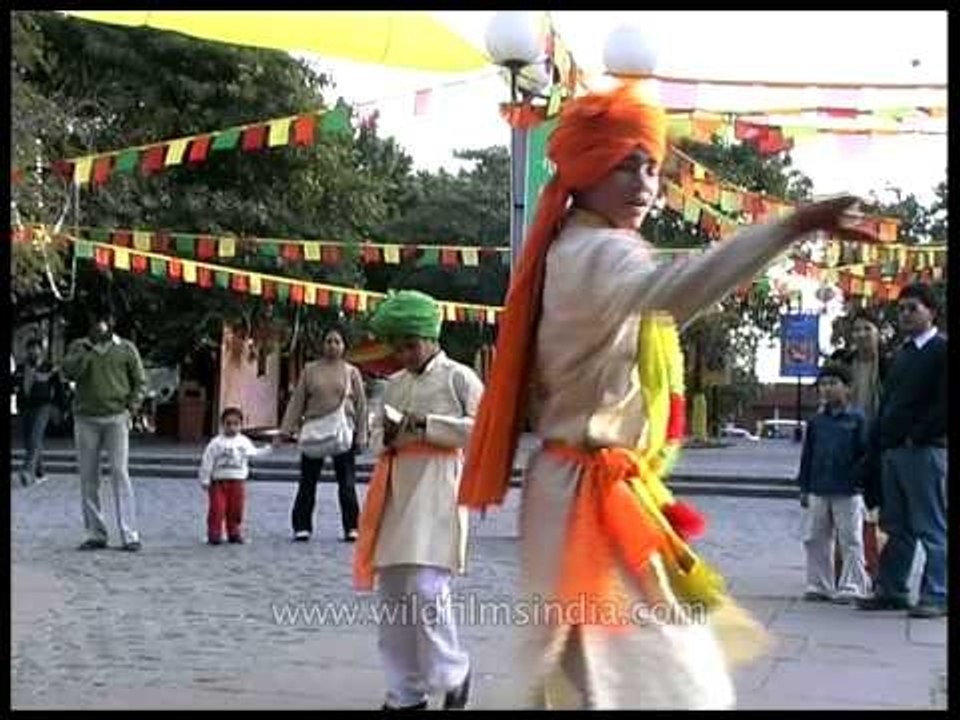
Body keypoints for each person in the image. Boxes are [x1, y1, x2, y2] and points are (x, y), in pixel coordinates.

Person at [455, 81, 864, 709]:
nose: (644, 183)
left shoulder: (582, 245)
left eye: (651, 166)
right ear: (586, 171)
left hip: (588, 488)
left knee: (589, 666)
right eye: (625, 165)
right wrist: (792, 225)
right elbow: (679, 291)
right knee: (657, 670)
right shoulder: (596, 251)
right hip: (586, 494)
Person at [352, 290, 482, 711]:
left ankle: (453, 673)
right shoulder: (393, 385)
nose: (405, 354)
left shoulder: (460, 378)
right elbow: (374, 438)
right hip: (395, 489)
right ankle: (406, 692)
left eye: (411, 344)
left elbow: (483, 431)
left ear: (430, 336)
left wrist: (427, 425)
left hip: (440, 488)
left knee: (427, 588)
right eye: (399, 346)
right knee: (392, 593)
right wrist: (387, 434)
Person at [858, 283, 947, 618]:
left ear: (931, 312)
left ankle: (938, 594)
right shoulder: (903, 354)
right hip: (892, 453)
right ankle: (892, 589)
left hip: (923, 451)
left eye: (914, 308)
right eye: (903, 309)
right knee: (897, 526)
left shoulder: (940, 350)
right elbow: (890, 404)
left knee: (931, 526)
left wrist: (918, 435)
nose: (906, 314)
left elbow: (942, 405)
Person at [62, 312, 146, 551]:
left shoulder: (126, 348)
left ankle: (130, 535)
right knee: (89, 477)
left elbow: (140, 381)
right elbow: (69, 372)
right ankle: (96, 534)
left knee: (120, 473)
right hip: (85, 418)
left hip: (116, 417)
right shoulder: (79, 346)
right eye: (96, 322)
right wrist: (86, 352)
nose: (100, 326)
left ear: (112, 324)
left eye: (105, 322)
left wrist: (132, 408)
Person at [280, 327, 368, 543]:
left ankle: (352, 527)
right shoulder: (310, 370)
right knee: (307, 481)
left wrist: (361, 436)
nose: (332, 345)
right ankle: (302, 527)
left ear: (343, 346)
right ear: (322, 345)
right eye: (328, 341)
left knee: (346, 482)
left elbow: (361, 406)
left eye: (337, 341)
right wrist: (287, 429)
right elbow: (298, 400)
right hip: (315, 431)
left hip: (342, 431)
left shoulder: (351, 372)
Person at [798, 363, 871, 603]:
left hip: (848, 489)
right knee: (815, 538)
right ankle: (819, 585)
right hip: (818, 486)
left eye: (833, 384)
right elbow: (807, 455)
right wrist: (804, 487)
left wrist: (861, 482)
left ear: (847, 388)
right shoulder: (817, 422)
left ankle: (852, 585)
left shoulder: (858, 419)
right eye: (823, 384)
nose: (827, 389)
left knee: (850, 539)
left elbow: (865, 454)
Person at [832, 311, 889, 581]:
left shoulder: (890, 363)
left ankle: (874, 570)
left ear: (878, 332)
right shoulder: (844, 361)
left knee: (876, 510)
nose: (861, 335)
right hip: (847, 440)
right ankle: (843, 570)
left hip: (880, 443)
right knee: (845, 509)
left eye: (867, 329)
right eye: (856, 330)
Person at [198, 406, 272, 545]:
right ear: (222, 424)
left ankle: (234, 532)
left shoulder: (243, 441)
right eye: (228, 423)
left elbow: (254, 453)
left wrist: (270, 449)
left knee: (236, 509)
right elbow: (207, 461)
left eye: (235, 424)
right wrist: (205, 479)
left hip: (237, 481)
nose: (232, 427)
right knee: (217, 509)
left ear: (241, 425)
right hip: (218, 482)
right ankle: (214, 533)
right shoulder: (216, 443)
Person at [14, 337, 65, 486]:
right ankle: (40, 472)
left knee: (36, 437)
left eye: (35, 349)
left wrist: (62, 408)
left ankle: (26, 471)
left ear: (40, 351)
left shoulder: (49, 367)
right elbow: (13, 385)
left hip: (43, 406)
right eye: (30, 349)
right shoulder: (21, 368)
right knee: (28, 442)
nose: (32, 352)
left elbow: (59, 389)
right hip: (25, 407)